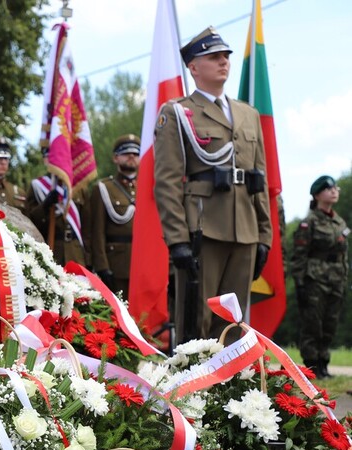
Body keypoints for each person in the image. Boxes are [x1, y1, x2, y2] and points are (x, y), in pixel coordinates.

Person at [154, 26, 271, 343]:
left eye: (226, 56)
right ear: (193, 67)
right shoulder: (178, 113)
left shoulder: (248, 115)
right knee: (197, 322)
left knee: (235, 323)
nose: (224, 62)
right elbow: (166, 183)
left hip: (244, 228)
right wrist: (177, 239)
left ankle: (232, 390)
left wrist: (265, 235)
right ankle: (194, 391)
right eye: (214, 56)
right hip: (203, 228)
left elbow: (259, 179)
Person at [291, 175, 348, 379]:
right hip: (315, 279)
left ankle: (324, 363)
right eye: (328, 188)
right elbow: (299, 256)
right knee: (313, 323)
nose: (334, 191)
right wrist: (300, 284)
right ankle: (312, 366)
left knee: (330, 323)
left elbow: (344, 254)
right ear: (317, 195)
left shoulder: (339, 221)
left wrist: (344, 277)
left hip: (336, 279)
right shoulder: (310, 222)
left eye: (336, 188)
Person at [87, 134, 140, 295]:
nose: (131, 156)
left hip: (143, 263)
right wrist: (102, 266)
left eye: (136, 153)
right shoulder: (103, 188)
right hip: (116, 264)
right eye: (125, 153)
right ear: (116, 158)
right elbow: (96, 232)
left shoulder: (149, 187)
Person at [24, 172, 88, 267]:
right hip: (51, 249)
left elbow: (88, 226)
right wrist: (45, 206)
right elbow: (30, 221)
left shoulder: (79, 186)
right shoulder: (37, 185)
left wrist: (89, 258)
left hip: (76, 252)